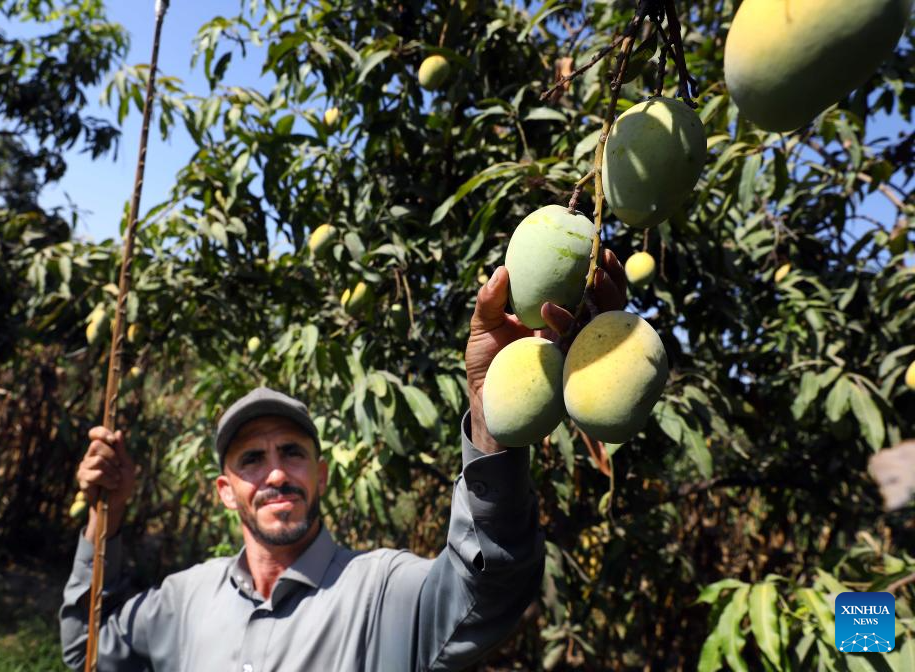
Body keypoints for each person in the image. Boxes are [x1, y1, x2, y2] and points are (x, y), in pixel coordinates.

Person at [59, 252, 628, 671]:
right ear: (224, 490)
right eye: (251, 460)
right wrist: (104, 515)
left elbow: (491, 588)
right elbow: (89, 647)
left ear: (322, 473)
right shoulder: (185, 598)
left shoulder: (379, 590)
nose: (276, 473)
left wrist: (491, 414)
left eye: (292, 453)